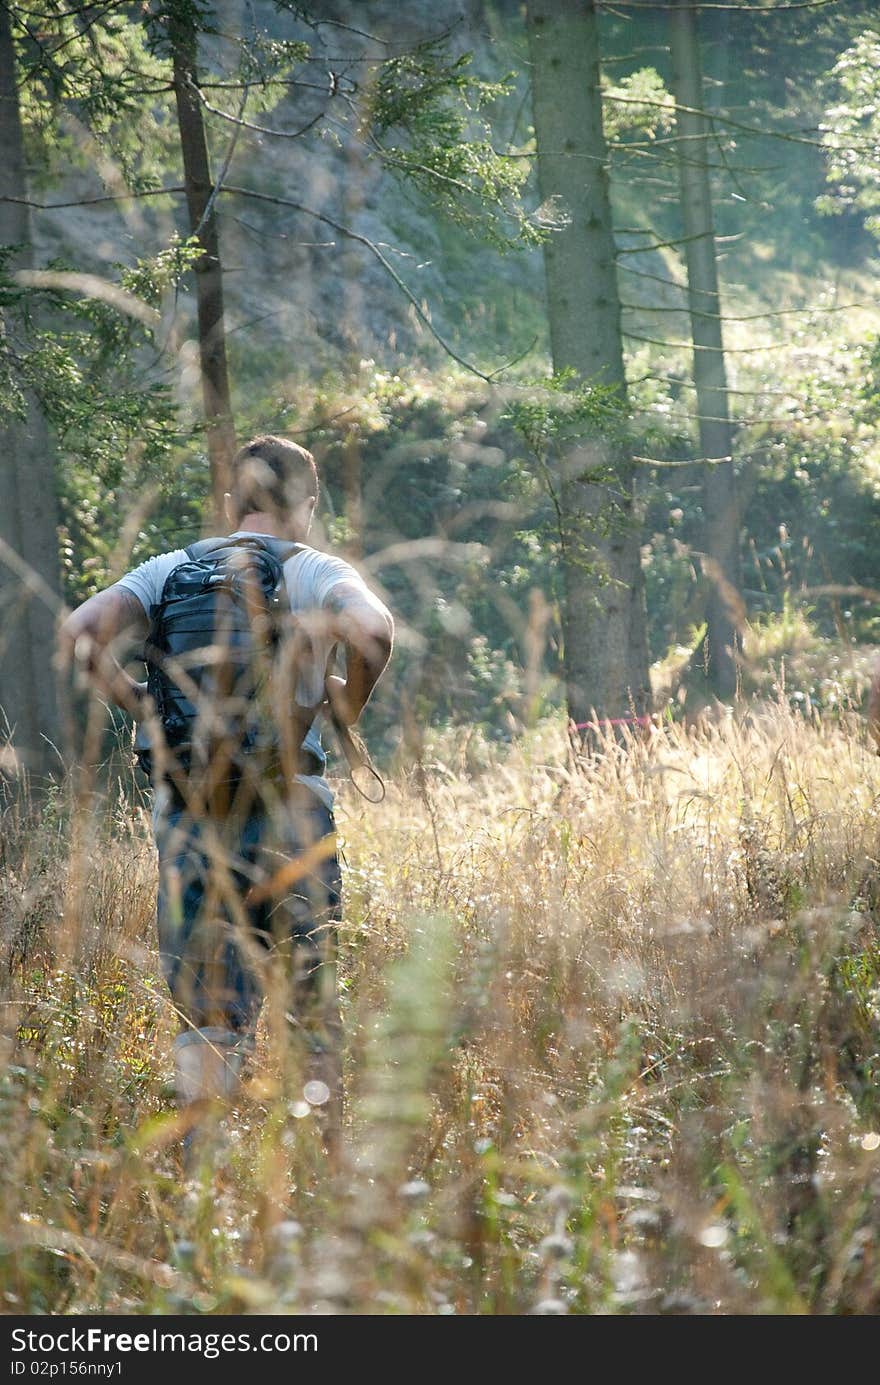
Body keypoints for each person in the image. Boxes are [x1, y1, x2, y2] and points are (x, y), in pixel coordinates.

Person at [57, 435, 393, 1155]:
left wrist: (142, 703)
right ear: (307, 504)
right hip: (291, 813)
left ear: (231, 502)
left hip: (192, 819)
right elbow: (372, 629)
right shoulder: (312, 568)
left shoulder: (170, 569)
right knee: (309, 1008)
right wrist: (345, 705)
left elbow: (81, 631)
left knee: (207, 1018)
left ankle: (202, 1197)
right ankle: (326, 1179)